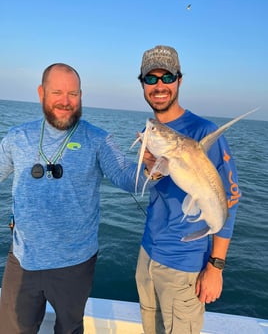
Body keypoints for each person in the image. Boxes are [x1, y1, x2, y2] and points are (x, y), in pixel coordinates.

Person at [0, 63, 154, 334]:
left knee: (70, 329)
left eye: (73, 94)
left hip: (75, 263)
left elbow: (127, 178)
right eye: (57, 92)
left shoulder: (98, 139)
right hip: (22, 260)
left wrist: (152, 165)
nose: (66, 101)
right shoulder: (17, 137)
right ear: (41, 93)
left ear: (81, 96)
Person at [135, 45, 241, 334]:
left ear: (179, 80)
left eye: (167, 78)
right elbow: (154, 182)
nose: (159, 86)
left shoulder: (204, 131)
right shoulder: (154, 133)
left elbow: (229, 199)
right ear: (142, 84)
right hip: (148, 255)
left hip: (184, 265)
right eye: (151, 79)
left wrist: (216, 266)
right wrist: (149, 168)